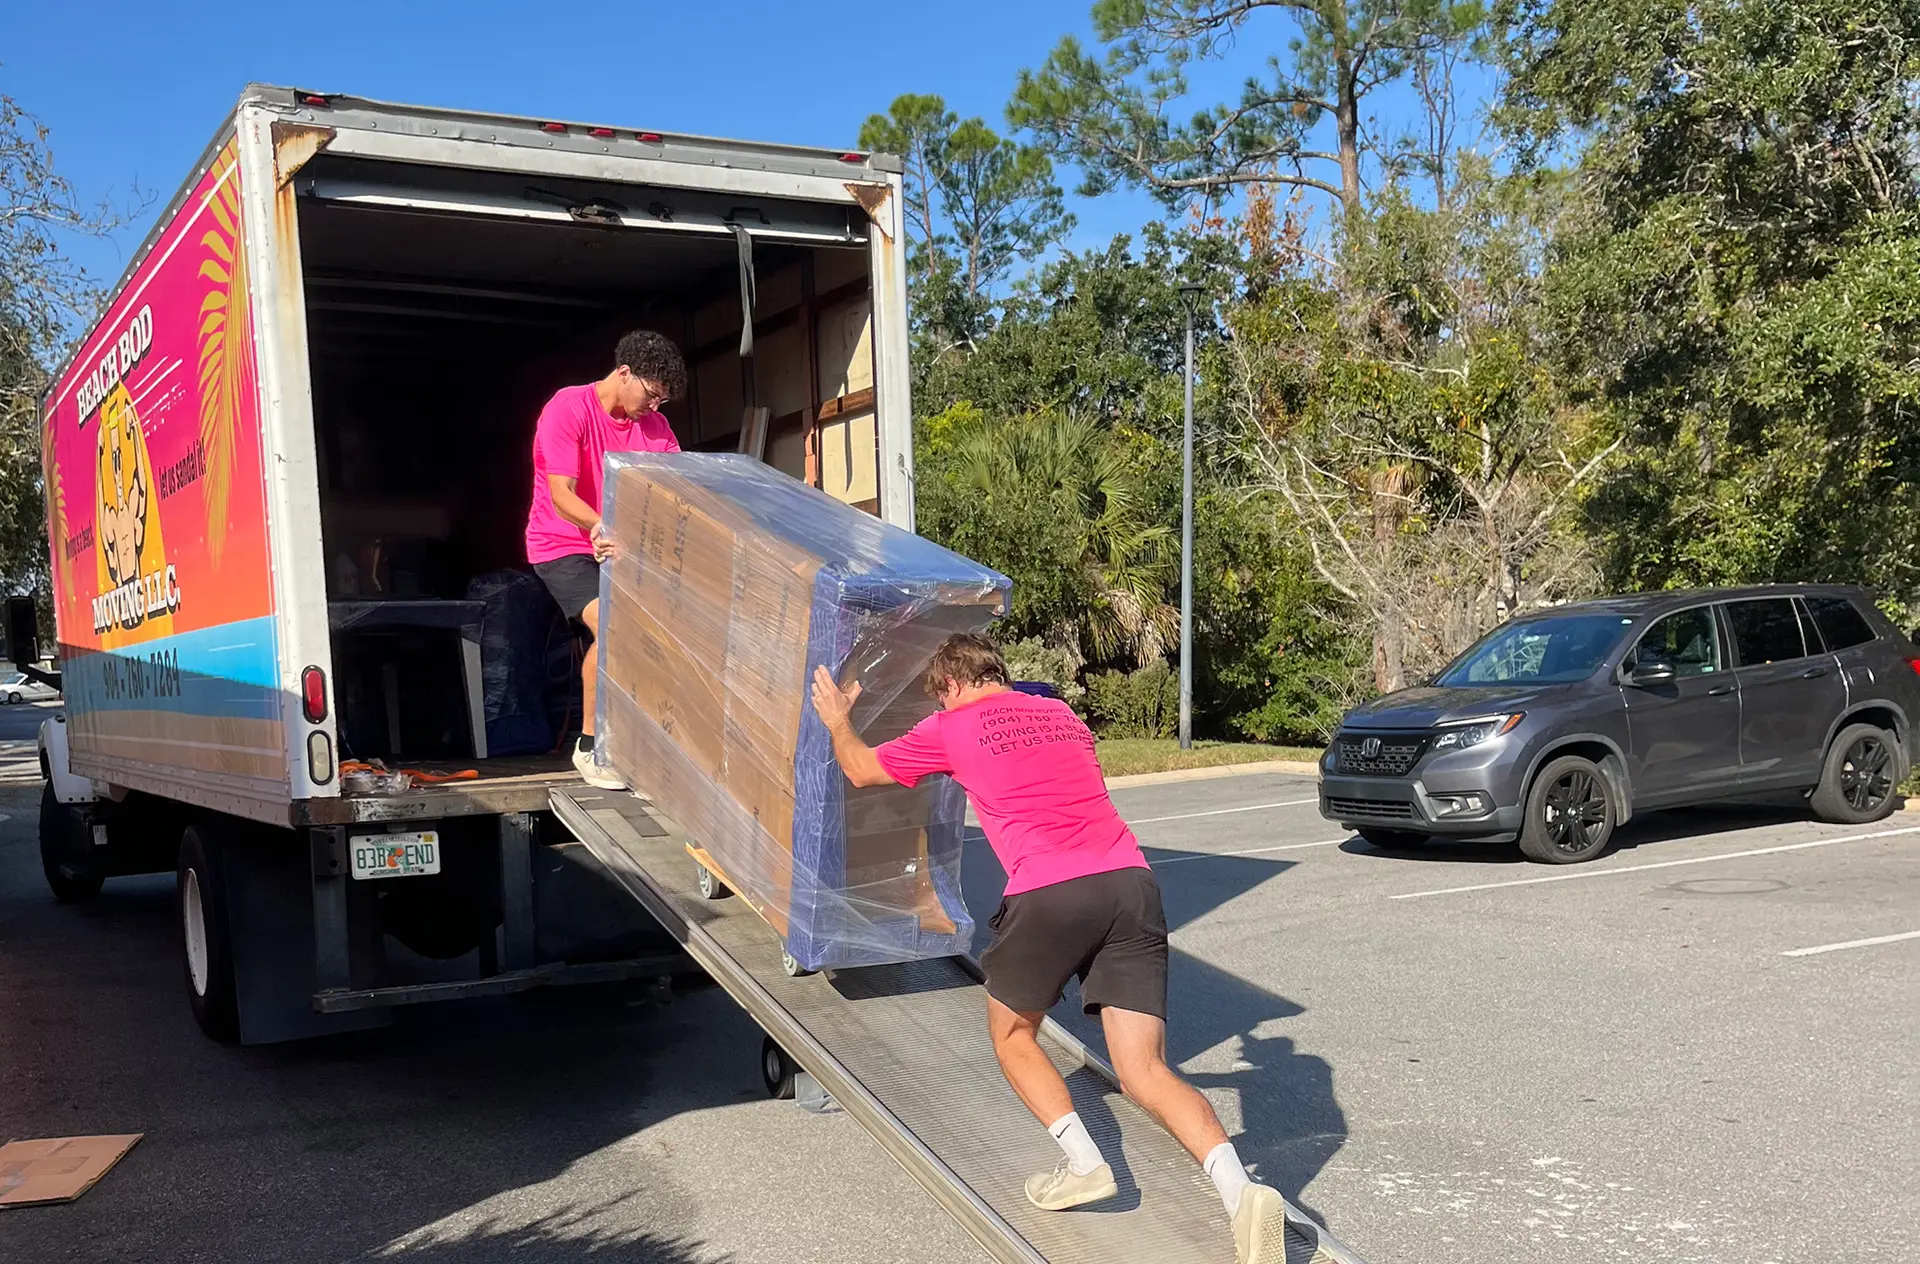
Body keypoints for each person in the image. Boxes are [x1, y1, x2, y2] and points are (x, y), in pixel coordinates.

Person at [809, 634, 1293, 1264]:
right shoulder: (1063, 716)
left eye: (940, 694)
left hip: (1050, 891)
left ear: (950, 685)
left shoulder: (952, 725)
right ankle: (1242, 1194)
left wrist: (838, 721)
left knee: (1013, 1035)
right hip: (1130, 884)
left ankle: (1086, 1164)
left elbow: (861, 768)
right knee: (1145, 1070)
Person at [526, 329, 688, 789]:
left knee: (655, 635)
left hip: (620, 548)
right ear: (624, 373)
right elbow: (561, 496)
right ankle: (592, 747)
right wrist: (599, 525)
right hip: (563, 545)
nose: (654, 408)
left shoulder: (654, 427)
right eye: (652, 395)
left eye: (662, 401)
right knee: (615, 627)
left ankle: (643, 742)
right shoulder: (568, 408)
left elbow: (680, 487)